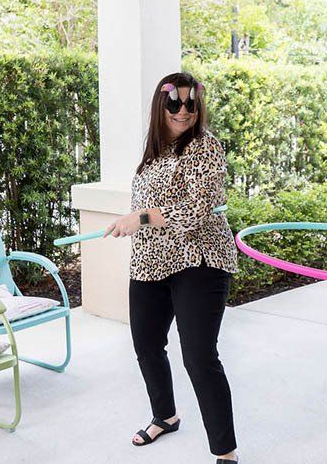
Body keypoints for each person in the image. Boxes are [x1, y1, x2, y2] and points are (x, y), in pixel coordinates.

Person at [105, 72, 240, 464]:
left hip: (199, 259)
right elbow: (148, 210)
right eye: (174, 103)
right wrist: (132, 220)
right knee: (146, 345)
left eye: (191, 103)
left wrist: (143, 216)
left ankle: (226, 454)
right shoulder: (153, 153)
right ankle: (165, 416)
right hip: (150, 263)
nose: (184, 111)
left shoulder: (205, 147)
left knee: (199, 356)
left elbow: (198, 209)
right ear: (159, 107)